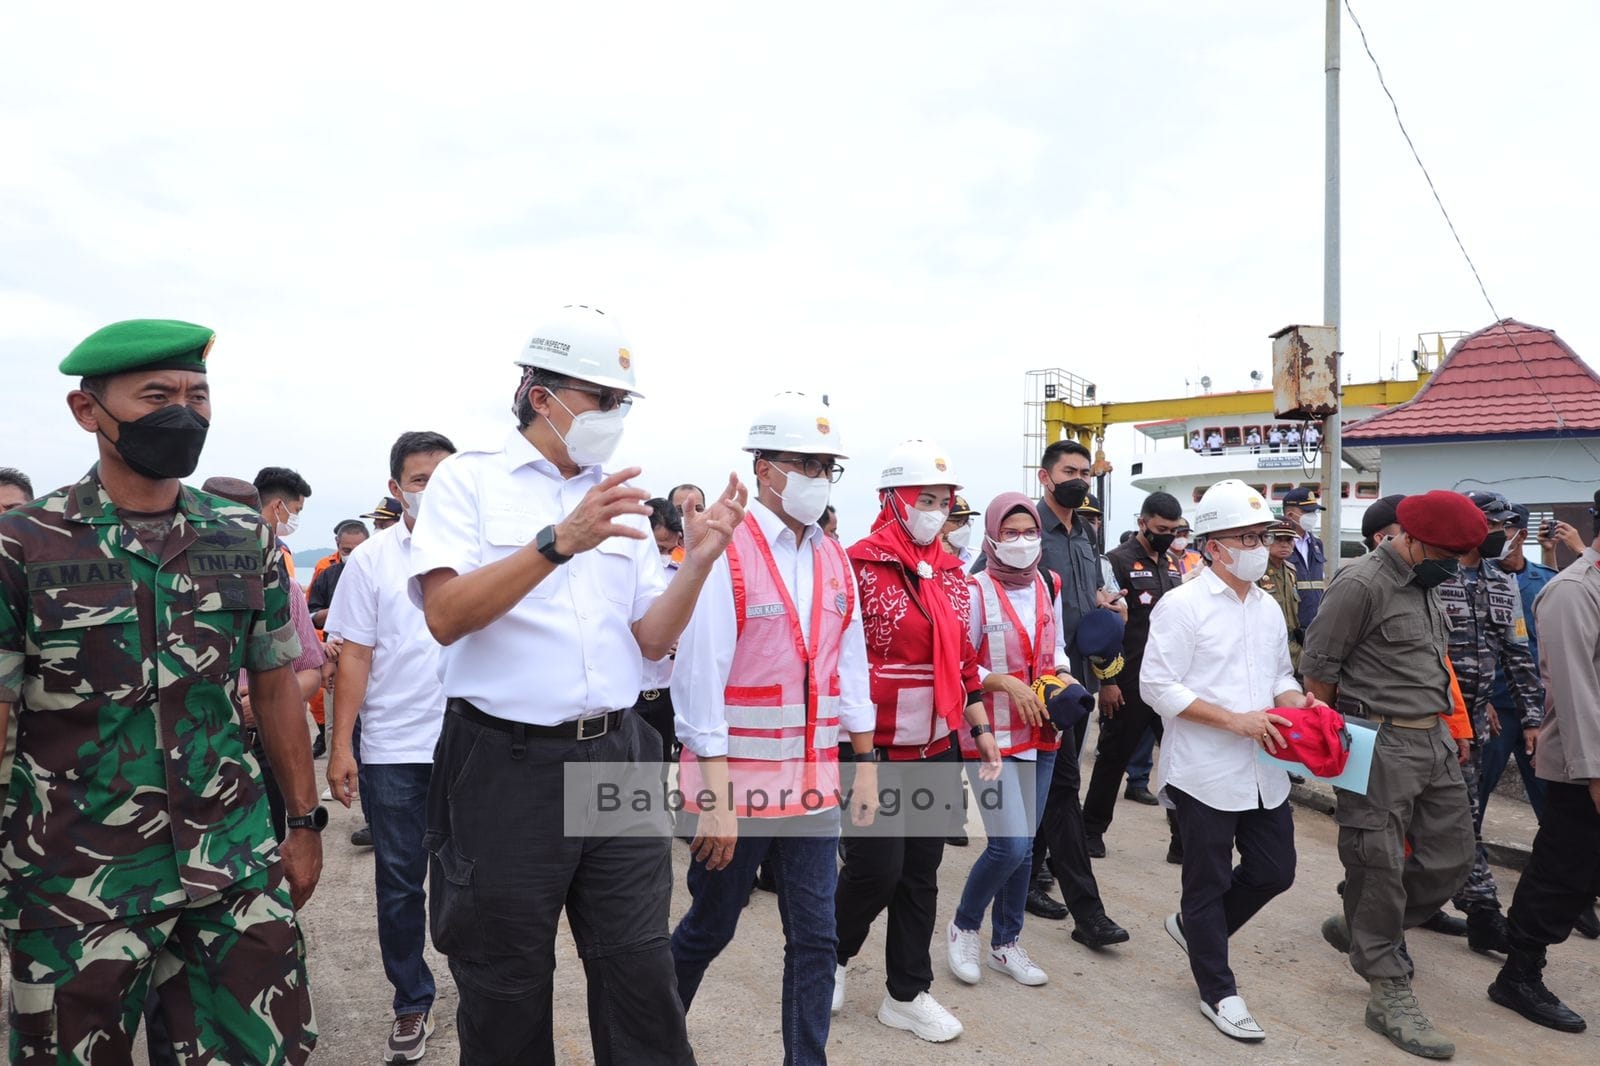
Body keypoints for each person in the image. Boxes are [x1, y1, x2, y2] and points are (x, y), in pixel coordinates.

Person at [409, 304, 745, 1065]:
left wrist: (697, 564)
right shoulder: (469, 480)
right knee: (505, 981)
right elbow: (446, 616)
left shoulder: (616, 495)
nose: (615, 416)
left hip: (618, 755)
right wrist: (558, 542)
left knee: (640, 972)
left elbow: (650, 640)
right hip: (505, 765)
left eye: (623, 402)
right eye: (603, 399)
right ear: (541, 395)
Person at [0, 319, 320, 1063]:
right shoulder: (23, 544)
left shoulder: (242, 536)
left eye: (196, 396)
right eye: (157, 396)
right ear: (88, 410)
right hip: (74, 875)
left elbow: (275, 686)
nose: (183, 412)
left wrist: (303, 824)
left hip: (231, 860)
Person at [669, 391, 875, 1065]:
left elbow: (849, 666)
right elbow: (699, 681)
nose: (818, 477)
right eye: (804, 463)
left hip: (812, 788)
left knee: (816, 940)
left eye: (826, 466)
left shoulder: (833, 557)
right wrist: (716, 801)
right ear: (764, 468)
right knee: (710, 928)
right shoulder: (726, 549)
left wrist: (865, 763)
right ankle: (648, 1045)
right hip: (740, 788)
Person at [1301, 490, 1487, 1058]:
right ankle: (1387, 989)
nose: (1453, 566)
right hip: (1377, 741)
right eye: (1447, 555)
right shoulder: (1361, 584)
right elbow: (1319, 671)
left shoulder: (1426, 581)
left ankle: (1361, 923)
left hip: (1433, 738)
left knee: (1453, 856)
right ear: (1411, 538)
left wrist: (1451, 729)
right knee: (1376, 863)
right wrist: (1343, 742)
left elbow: (1431, 662)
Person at [832, 439, 997, 1044]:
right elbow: (840, 661)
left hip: (935, 747)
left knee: (921, 874)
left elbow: (965, 664)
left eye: (943, 502)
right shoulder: (856, 566)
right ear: (892, 500)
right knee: (875, 870)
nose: (936, 511)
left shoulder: (952, 575)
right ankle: (831, 955)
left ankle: (906, 993)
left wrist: (980, 729)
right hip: (871, 750)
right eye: (924, 499)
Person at [1141, 479, 1318, 1043]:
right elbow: (1156, 686)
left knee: (1275, 871)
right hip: (1205, 769)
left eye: (1262, 536)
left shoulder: (1266, 607)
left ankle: (1195, 931)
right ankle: (1218, 991)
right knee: (1208, 882)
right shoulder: (1182, 606)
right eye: (1247, 537)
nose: (1259, 547)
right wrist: (1233, 720)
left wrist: (1297, 702)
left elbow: (1279, 676)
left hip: (1263, 766)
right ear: (1214, 546)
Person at [948, 491, 1126, 990]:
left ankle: (1006, 942)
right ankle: (964, 926)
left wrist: (1065, 679)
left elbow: (1057, 648)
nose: (1022, 541)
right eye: (1011, 532)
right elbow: (961, 665)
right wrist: (1005, 683)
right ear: (993, 536)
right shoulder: (974, 590)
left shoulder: (1048, 582)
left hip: (1043, 730)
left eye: (1030, 532)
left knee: (1026, 848)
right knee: (1007, 846)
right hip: (991, 734)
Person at [324, 430, 456, 1063]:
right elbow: (354, 656)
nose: (432, 489)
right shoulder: (371, 560)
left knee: (476, 881)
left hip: (475, 745)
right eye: (420, 479)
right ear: (396, 488)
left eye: (443, 477)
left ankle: (483, 988)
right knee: (401, 884)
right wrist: (340, 747)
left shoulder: (486, 549)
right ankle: (411, 1000)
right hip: (395, 748)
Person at [977, 441, 1119, 922]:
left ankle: (1030, 876)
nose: (1079, 480)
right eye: (1069, 471)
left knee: (1057, 790)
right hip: (1025, 696)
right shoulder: (1019, 529)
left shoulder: (1085, 534)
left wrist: (1105, 613)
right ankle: (1082, 909)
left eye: (1085, 472)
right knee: (1062, 789)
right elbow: (987, 591)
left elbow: (1079, 602)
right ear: (1045, 476)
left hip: (1071, 683)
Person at [1486, 511, 1600, 1033]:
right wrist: (1594, 772)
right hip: (1583, 763)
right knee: (1562, 870)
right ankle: (1519, 974)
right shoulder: (1572, 591)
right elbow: (1576, 691)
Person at [1440, 490, 1543, 955]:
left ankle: (1457, 906)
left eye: (1506, 526)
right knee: (1451, 819)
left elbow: (1518, 656)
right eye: (1494, 526)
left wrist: (1532, 718)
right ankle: (1481, 910)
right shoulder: (1432, 577)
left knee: (1464, 819)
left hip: (1477, 728)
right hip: (1432, 722)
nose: (1503, 534)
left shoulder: (1502, 583)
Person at [1083, 491, 1186, 855]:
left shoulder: (1172, 565)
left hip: (1168, 680)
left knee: (1177, 760)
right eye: (1161, 529)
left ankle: (1181, 841)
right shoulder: (1116, 561)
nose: (1168, 536)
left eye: (1174, 530)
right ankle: (1091, 832)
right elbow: (1104, 627)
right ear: (1143, 523)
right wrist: (1107, 682)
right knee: (1113, 758)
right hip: (1128, 680)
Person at [1481, 504, 1553, 822]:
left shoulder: (1546, 581)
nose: (1495, 535)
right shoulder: (1477, 578)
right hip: (1493, 708)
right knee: (1474, 795)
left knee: (1550, 799)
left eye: (1503, 528)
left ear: (1521, 535)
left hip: (1537, 711)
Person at [637, 498, 684, 767]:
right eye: (658, 548)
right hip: (630, 698)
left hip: (667, 694)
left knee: (659, 774)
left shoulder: (680, 576)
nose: (665, 555)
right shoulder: (623, 573)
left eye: (670, 549)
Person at [307, 519, 371, 629]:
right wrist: (339, 609)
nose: (353, 555)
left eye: (358, 550)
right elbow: (312, 617)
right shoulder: (327, 575)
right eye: (347, 550)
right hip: (335, 637)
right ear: (338, 545)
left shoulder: (381, 574)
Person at [253, 466, 313, 579]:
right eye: (297, 510)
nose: (296, 516)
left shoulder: (230, 536)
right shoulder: (279, 553)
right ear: (278, 506)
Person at [1281, 488, 1326, 632]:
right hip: (1291, 626)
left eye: (1314, 511)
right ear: (1290, 515)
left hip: (1316, 624)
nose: (1312, 516)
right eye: (1307, 512)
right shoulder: (1278, 546)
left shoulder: (1317, 544)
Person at [1260, 519, 1302, 673]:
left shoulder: (1290, 571)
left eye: (1289, 540)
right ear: (1267, 540)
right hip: (1268, 645)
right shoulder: (1258, 571)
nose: (1284, 545)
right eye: (1278, 539)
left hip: (1291, 643)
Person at [941, 494, 979, 568]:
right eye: (958, 521)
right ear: (940, 522)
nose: (965, 527)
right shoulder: (925, 557)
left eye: (966, 521)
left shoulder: (978, 559)